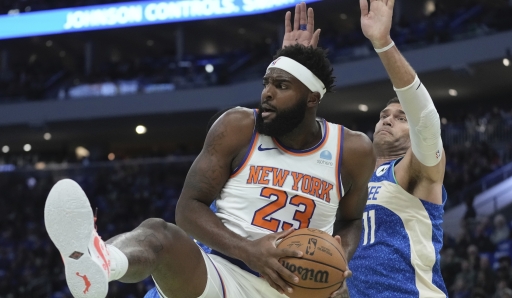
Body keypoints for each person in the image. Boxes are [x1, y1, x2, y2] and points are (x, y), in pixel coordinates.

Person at [44, 3, 375, 298]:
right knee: (160, 234)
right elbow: (188, 209)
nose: (267, 94)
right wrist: (248, 250)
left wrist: (340, 256)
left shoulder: (353, 149)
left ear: (312, 98)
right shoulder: (238, 126)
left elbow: (351, 219)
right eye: (266, 83)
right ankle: (102, 261)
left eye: (281, 86)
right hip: (223, 271)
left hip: (294, 287)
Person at [345, 0, 449, 296]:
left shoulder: (416, 170)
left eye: (401, 118)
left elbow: (426, 120)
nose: (388, 120)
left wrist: (383, 43)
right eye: (383, 116)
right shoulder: (350, 183)